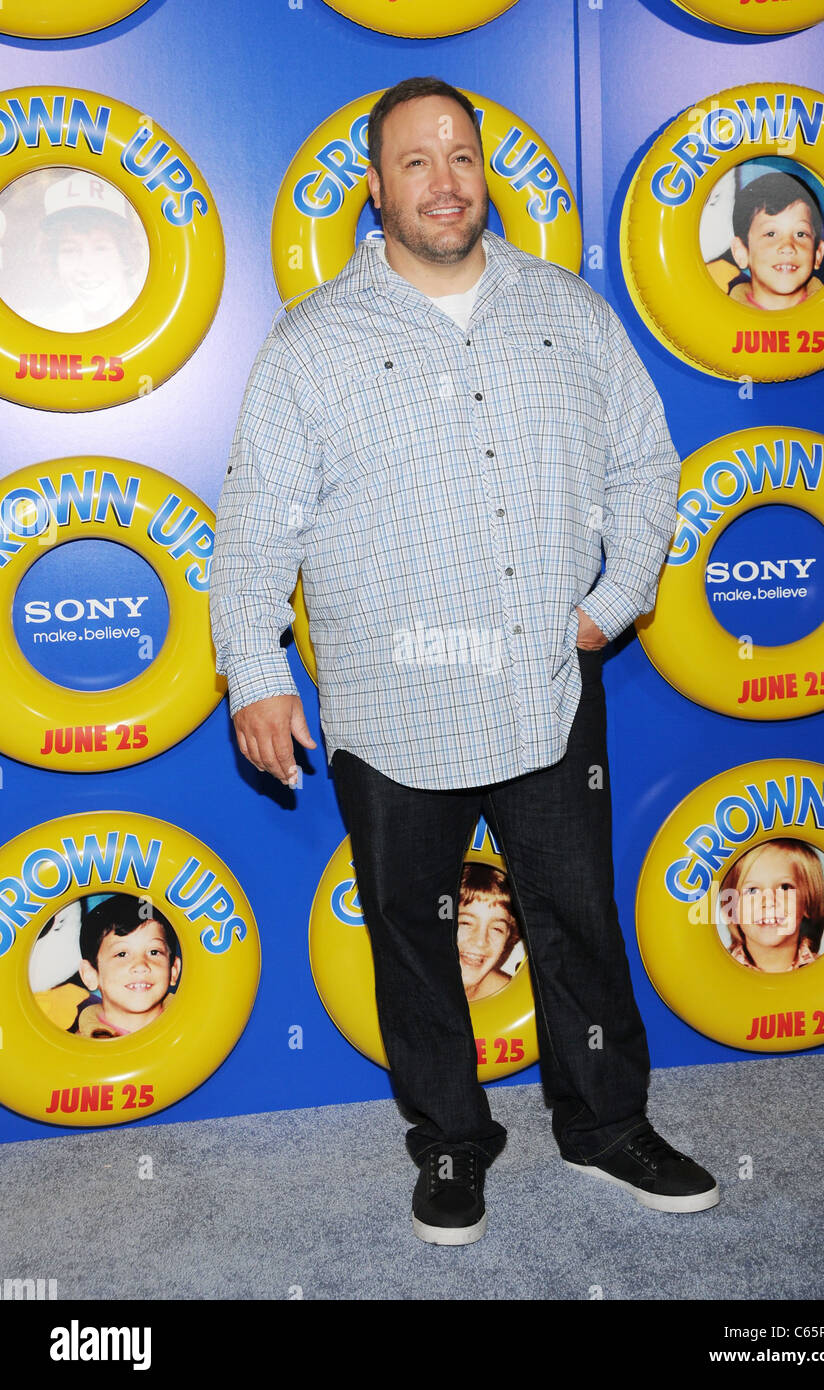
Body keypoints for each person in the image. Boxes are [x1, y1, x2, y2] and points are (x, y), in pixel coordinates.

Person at [210, 75, 718, 1245]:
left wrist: (611, 604)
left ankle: (606, 1126)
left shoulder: (570, 313)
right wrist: (257, 671)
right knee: (413, 932)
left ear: (485, 172)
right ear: (375, 189)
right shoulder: (311, 345)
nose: (445, 181)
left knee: (578, 919)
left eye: (462, 157)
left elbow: (647, 463)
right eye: (416, 162)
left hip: (547, 685)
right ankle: (448, 1138)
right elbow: (254, 531)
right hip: (392, 701)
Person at [39, 171, 146, 332]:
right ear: (55, 260)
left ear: (125, 254)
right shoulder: (41, 326)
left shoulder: (153, 326)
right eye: (70, 250)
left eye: (101, 248)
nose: (86, 268)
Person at [70, 894, 181, 1039]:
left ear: (174, 970)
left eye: (154, 952)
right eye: (122, 954)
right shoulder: (77, 1050)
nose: (141, 965)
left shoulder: (200, 1030)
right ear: (90, 974)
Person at [718, 839, 824, 972]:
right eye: (752, 890)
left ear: (807, 902)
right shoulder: (716, 976)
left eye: (784, 887)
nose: (769, 902)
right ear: (731, 910)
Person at [727, 170, 824, 310]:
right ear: (741, 252)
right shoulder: (722, 320)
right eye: (771, 234)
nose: (788, 247)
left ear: (818, 253)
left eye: (800, 234)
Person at [457, 863, 521, 1002]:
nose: (481, 941)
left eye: (496, 929)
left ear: (508, 936)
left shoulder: (513, 1001)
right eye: (466, 923)